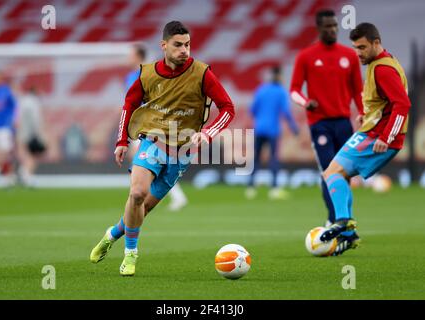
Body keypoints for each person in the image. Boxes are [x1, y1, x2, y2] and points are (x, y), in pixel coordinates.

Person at [90, 21, 235, 276]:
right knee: (137, 194)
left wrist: (208, 133)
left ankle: (111, 235)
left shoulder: (202, 73)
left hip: (181, 152)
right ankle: (131, 254)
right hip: (152, 142)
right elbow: (129, 104)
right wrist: (122, 141)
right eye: (178, 45)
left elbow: (228, 108)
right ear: (164, 45)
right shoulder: (147, 74)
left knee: (143, 208)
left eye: (187, 45)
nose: (184, 50)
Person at [321, 23, 411, 255]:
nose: (358, 52)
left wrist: (386, 136)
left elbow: (402, 104)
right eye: (355, 48)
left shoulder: (383, 69)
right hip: (371, 131)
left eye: (362, 47)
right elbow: (385, 102)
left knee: (332, 173)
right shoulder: (381, 62)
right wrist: (367, 115)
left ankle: (343, 223)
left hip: (377, 136)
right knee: (336, 173)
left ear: (376, 43)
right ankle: (348, 231)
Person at [290, 9, 364, 226]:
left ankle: (345, 218)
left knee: (345, 174)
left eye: (334, 26)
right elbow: (294, 89)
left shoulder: (349, 55)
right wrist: (306, 102)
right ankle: (333, 219)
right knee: (329, 171)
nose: (332, 30)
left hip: (343, 123)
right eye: (328, 26)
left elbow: (357, 89)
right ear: (319, 28)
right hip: (319, 124)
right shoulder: (306, 56)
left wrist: (362, 113)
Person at [124, 43, 188, 211]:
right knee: (149, 162)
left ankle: (143, 195)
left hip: (147, 128)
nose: (128, 58)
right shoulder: (141, 73)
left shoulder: (143, 75)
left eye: (131, 54)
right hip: (147, 126)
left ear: (138, 56)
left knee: (148, 162)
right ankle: (169, 195)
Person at [246, 66, 298, 200]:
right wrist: (293, 127)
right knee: (273, 158)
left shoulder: (262, 90)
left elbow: (252, 110)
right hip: (273, 130)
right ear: (279, 76)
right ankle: (274, 188)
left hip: (259, 128)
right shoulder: (281, 91)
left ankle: (251, 188)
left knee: (257, 158)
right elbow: (286, 112)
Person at [16, 86, 46, 187]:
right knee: (33, 155)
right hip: (31, 133)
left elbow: (18, 117)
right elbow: (35, 120)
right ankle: (26, 175)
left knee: (27, 155)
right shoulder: (33, 103)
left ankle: (23, 172)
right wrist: (38, 134)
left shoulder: (22, 101)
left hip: (22, 132)